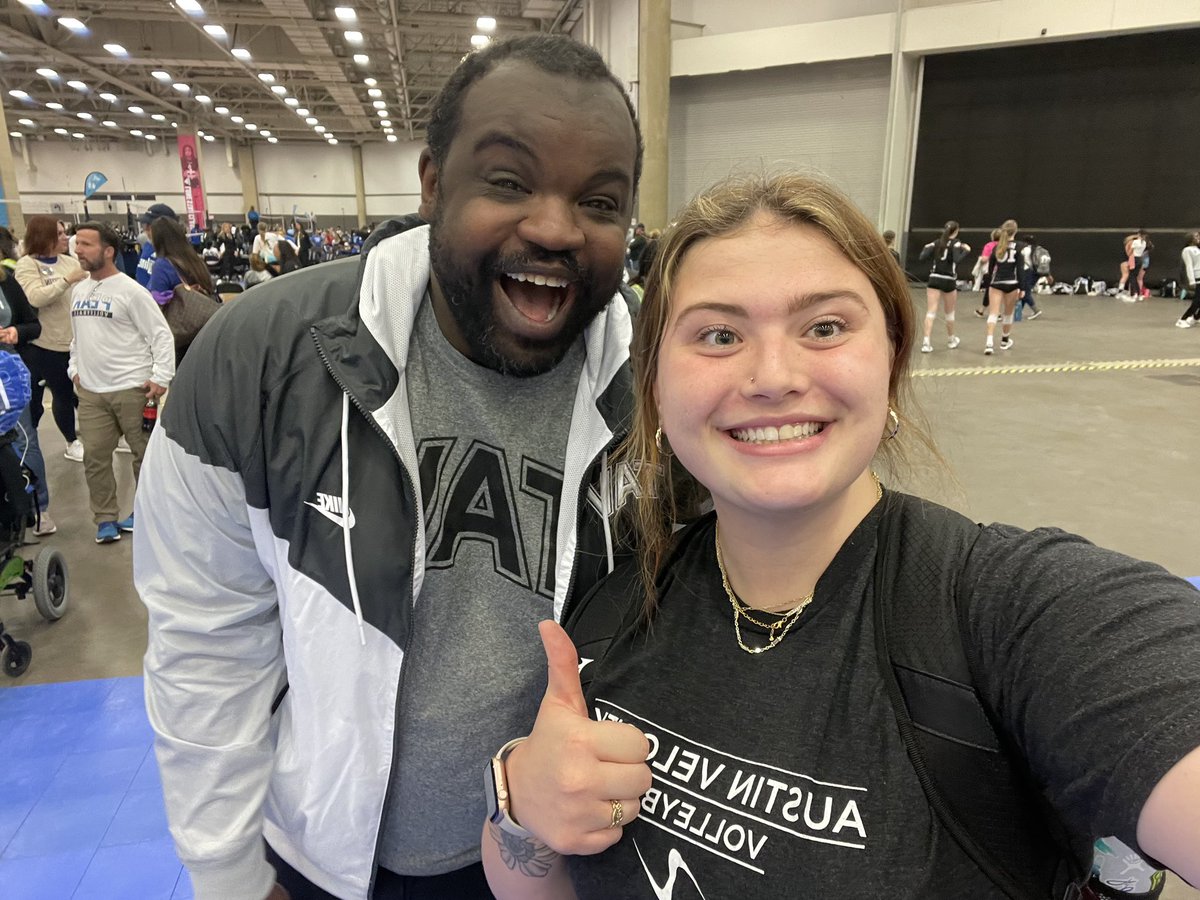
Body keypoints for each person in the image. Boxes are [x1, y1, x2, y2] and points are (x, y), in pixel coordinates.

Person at [478, 172, 1200, 900]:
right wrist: (518, 808)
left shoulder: (1012, 614)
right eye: (719, 334)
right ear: (658, 384)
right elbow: (535, 883)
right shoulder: (613, 608)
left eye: (824, 326)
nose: (773, 376)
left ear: (891, 358)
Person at [135, 32, 642, 900]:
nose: (556, 227)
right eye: (510, 182)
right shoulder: (256, 358)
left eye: (599, 201)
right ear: (434, 182)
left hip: (559, 865)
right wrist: (226, 874)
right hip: (327, 863)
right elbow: (206, 643)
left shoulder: (662, 387)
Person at [69, 222, 174, 544]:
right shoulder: (79, 290)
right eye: (78, 244)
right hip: (91, 392)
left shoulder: (132, 292)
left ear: (108, 250)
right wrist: (74, 369)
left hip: (133, 389)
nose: (78, 250)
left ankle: (145, 512)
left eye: (86, 244)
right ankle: (105, 519)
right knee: (95, 458)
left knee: (145, 456)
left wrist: (160, 377)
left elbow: (160, 335)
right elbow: (77, 338)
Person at [12, 216, 86, 464]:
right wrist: (66, 281)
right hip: (48, 344)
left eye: (65, 233)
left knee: (87, 391)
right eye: (60, 233)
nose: (66, 237)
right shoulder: (26, 265)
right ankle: (70, 441)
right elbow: (34, 298)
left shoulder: (69, 261)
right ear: (45, 237)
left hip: (77, 339)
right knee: (62, 393)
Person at [0, 234, 54, 535]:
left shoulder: (6, 280)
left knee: (22, 440)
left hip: (6, 377)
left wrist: (14, 333)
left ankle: (39, 508)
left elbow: (33, 323)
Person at [917, 220, 970, 352]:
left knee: (930, 311)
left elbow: (922, 257)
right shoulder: (957, 243)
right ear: (956, 231)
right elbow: (957, 260)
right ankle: (951, 339)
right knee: (949, 312)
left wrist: (927, 247)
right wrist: (966, 251)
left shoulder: (936, 242)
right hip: (948, 279)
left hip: (934, 278)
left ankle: (926, 342)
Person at [147, 218, 215, 307]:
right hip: (206, 313)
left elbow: (158, 306)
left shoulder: (161, 266)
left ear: (157, 240)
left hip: (180, 318)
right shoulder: (196, 261)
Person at [983, 219, 1024, 354]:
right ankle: (1004, 340)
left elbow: (990, 269)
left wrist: (988, 284)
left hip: (997, 282)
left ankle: (989, 343)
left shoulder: (996, 247)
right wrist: (1022, 288)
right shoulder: (1019, 247)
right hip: (1011, 283)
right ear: (1015, 231)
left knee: (993, 313)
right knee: (1008, 314)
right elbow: (1020, 270)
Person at [135, 203, 178, 288]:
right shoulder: (147, 245)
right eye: (145, 226)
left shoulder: (173, 257)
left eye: (149, 226)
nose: (146, 230)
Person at [1176, 231, 1200, 328]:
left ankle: (1196, 317)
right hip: (1198, 276)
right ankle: (1183, 319)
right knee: (1197, 301)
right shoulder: (1187, 250)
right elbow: (1189, 265)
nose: (1198, 237)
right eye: (1196, 236)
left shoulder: (1198, 249)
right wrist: (1192, 280)